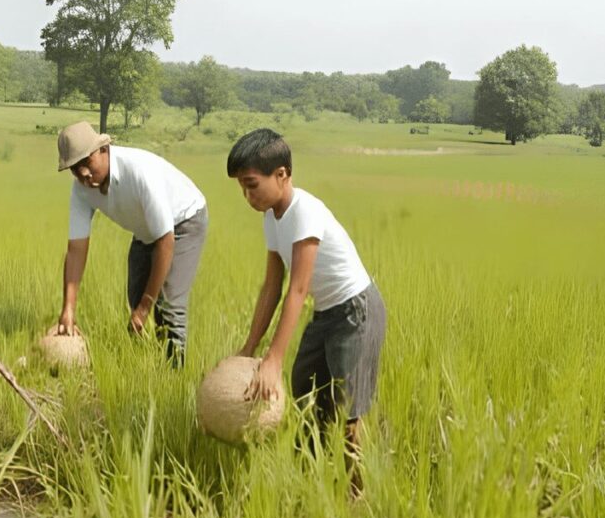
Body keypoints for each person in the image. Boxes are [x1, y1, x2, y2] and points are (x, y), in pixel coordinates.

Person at [226, 128, 386, 494]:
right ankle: (309, 482)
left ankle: (355, 494)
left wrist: (273, 359)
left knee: (346, 413)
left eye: (252, 185)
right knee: (305, 395)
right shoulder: (272, 217)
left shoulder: (304, 212)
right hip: (328, 314)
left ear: (281, 174)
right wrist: (250, 348)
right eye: (242, 188)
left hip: (355, 312)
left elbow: (298, 288)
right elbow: (272, 286)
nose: (247, 196)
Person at [56, 121, 208, 367]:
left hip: (184, 222)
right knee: (135, 296)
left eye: (86, 162)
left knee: (168, 305)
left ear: (104, 150)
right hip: (146, 230)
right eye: (75, 168)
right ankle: (144, 364)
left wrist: (146, 308)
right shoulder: (82, 191)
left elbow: (166, 241)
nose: (83, 173)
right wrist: (68, 308)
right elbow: (76, 250)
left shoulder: (138, 172)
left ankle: (173, 376)